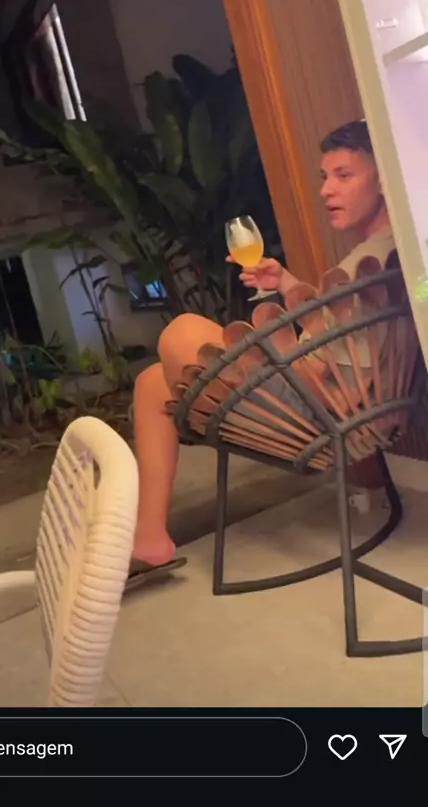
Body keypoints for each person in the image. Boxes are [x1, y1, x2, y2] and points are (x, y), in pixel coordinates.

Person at [128, 120, 396, 587]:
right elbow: (345, 332)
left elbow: (356, 361)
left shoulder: (393, 251)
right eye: (324, 176)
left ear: (384, 179)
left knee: (183, 331)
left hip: (321, 412)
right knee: (152, 382)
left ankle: (147, 536)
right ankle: (149, 537)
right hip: (319, 396)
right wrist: (286, 284)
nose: (326, 189)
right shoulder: (378, 250)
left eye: (344, 175)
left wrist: (288, 361)